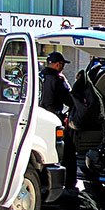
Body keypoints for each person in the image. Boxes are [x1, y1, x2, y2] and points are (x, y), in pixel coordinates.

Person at [40, 51, 77, 190]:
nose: (63, 68)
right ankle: (69, 186)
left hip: (40, 121)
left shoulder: (40, 77)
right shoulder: (57, 79)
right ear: (57, 65)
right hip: (55, 121)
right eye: (62, 65)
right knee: (68, 154)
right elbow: (69, 99)